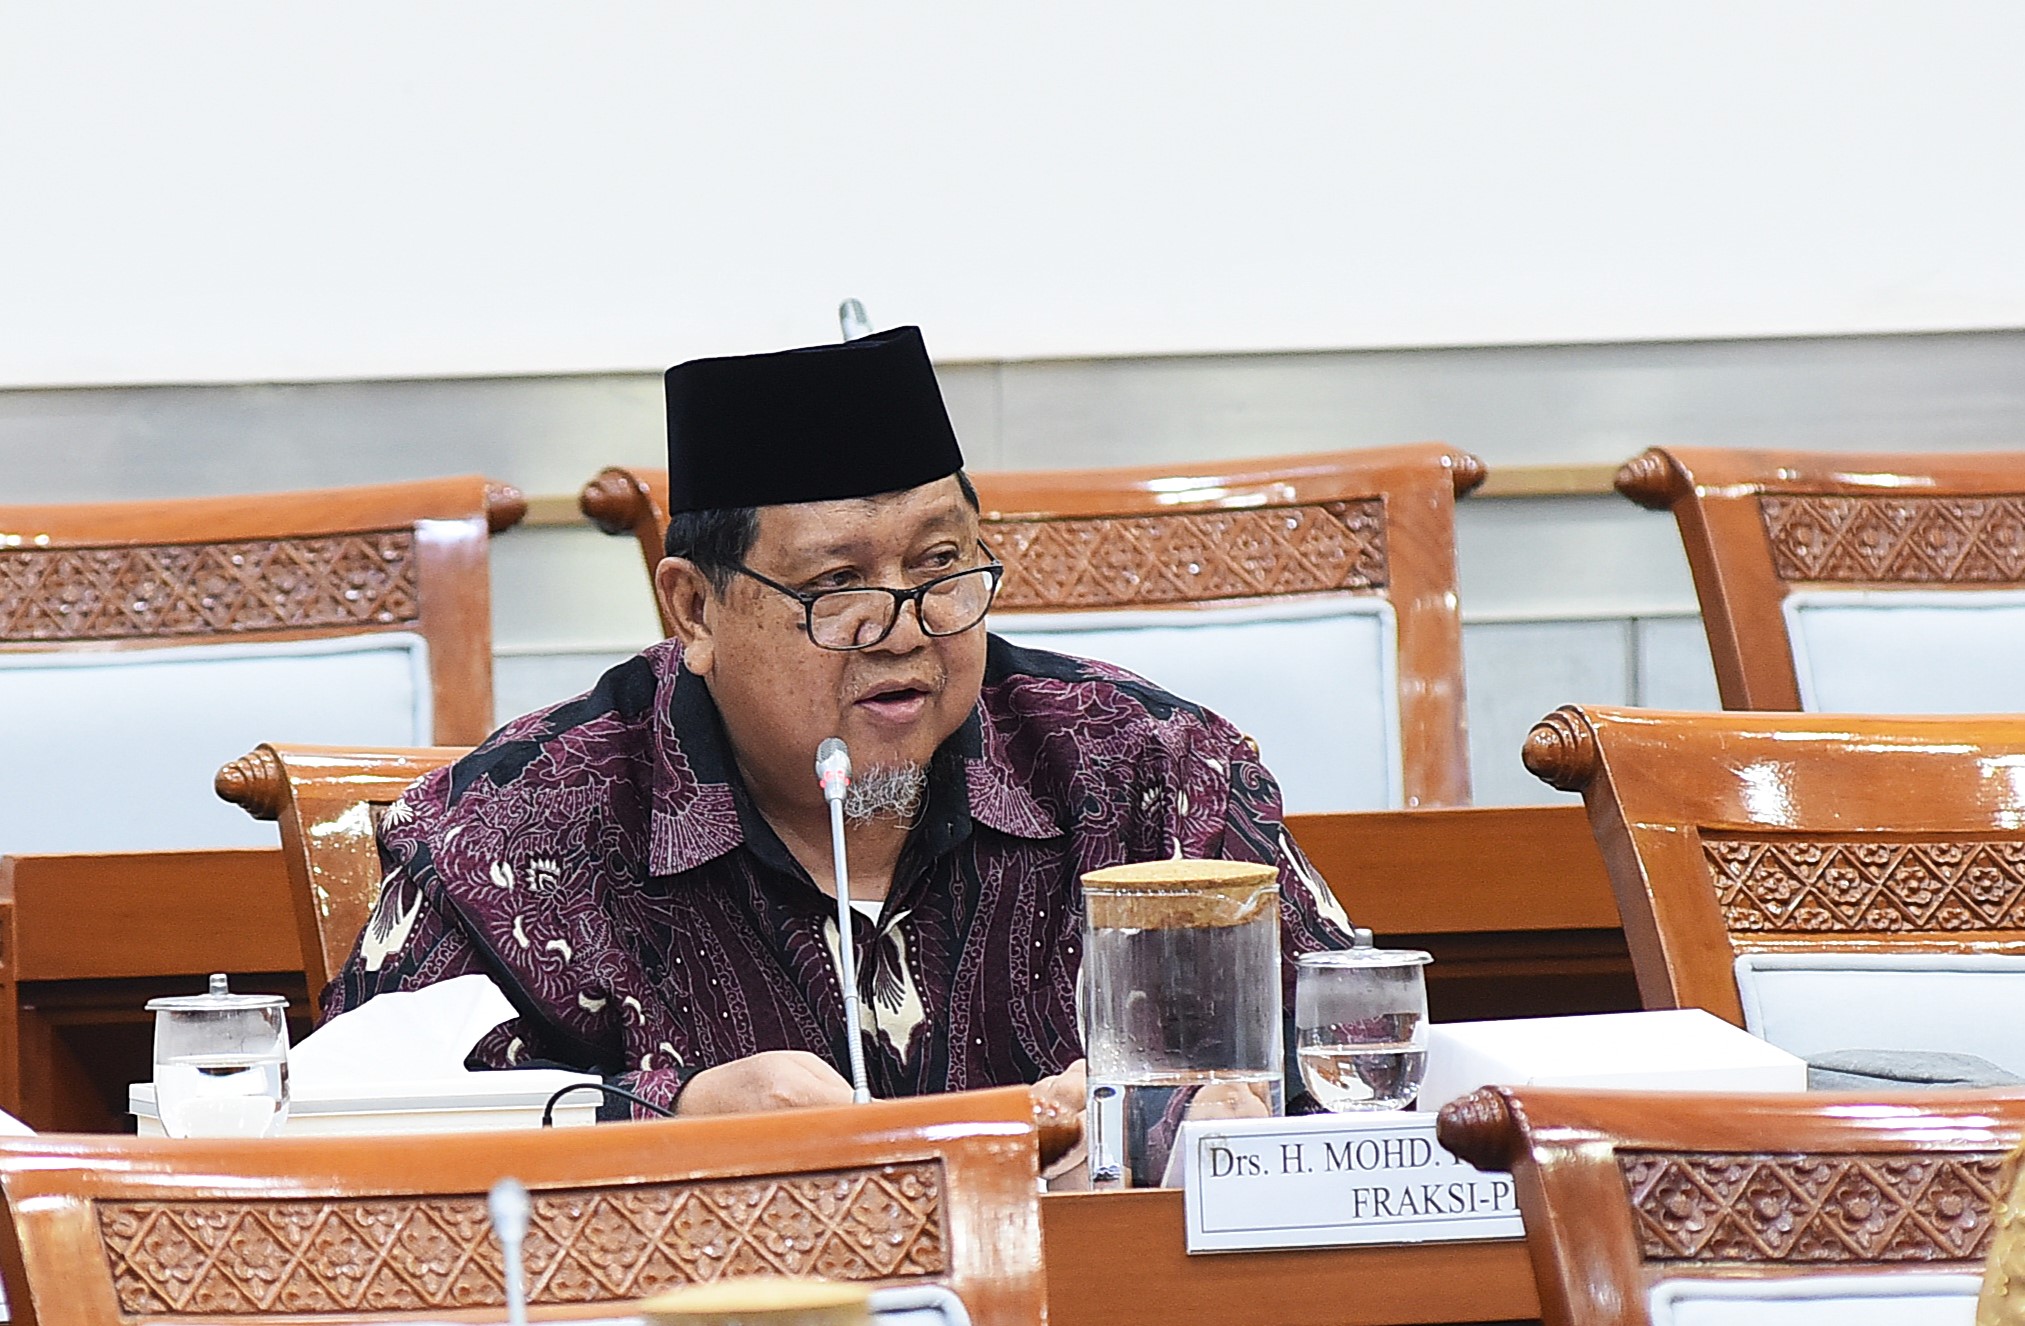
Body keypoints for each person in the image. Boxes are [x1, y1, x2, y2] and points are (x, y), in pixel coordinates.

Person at [326, 326, 1357, 1123]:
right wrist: (660, 1120)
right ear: (693, 611)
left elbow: (1367, 1069)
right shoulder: (509, 836)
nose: (905, 628)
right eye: (838, 586)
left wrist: (1216, 1127)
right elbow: (352, 1126)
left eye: (942, 566)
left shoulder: (1150, 775)